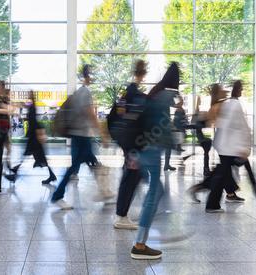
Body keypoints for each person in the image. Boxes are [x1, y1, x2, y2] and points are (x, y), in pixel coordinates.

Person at [205, 80, 256, 214]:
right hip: (232, 148)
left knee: (223, 174)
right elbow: (240, 127)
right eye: (242, 89)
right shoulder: (234, 105)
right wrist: (245, 147)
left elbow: (225, 125)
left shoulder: (228, 104)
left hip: (227, 147)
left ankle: (214, 202)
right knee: (242, 175)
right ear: (239, 90)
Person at [130, 62, 179, 260]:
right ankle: (139, 245)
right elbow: (163, 125)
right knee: (155, 192)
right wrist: (174, 141)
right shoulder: (166, 95)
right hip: (151, 149)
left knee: (155, 191)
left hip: (142, 148)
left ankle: (140, 236)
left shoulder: (155, 92)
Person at [50, 64, 113, 210]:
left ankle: (104, 192)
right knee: (77, 167)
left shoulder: (79, 92)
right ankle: (58, 196)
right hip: (82, 137)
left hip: (79, 135)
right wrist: (102, 134)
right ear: (87, 76)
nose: (94, 77)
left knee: (91, 163)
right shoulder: (85, 93)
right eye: (92, 74)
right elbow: (90, 115)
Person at [187, 84, 244, 203]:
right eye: (222, 90)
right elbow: (213, 121)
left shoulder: (219, 104)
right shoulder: (218, 106)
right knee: (223, 170)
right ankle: (199, 188)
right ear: (218, 93)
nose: (225, 92)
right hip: (225, 143)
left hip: (225, 142)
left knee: (225, 169)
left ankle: (229, 193)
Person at [113, 59, 148, 230]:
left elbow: (119, 115)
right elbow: (139, 120)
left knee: (134, 175)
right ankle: (121, 216)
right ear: (143, 74)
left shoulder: (125, 94)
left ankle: (122, 214)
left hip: (128, 142)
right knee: (131, 177)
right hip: (134, 144)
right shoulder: (137, 96)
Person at [6, 91, 57, 185]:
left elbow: (33, 120)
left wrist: (38, 134)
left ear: (31, 96)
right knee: (39, 158)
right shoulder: (31, 106)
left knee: (29, 157)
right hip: (33, 138)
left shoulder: (32, 106)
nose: (27, 97)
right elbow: (25, 105)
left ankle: (14, 174)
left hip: (34, 138)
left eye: (29, 95)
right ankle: (51, 175)